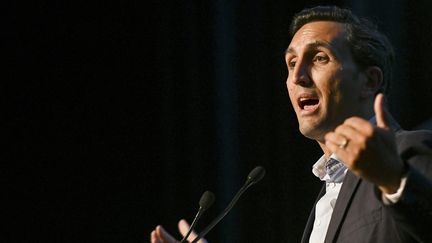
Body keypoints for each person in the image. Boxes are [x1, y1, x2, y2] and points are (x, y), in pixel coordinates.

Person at [150, 5, 432, 243]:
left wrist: (395, 180)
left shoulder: (408, 151)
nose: (297, 76)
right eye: (291, 62)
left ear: (369, 81)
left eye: (320, 58)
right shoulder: (326, 194)